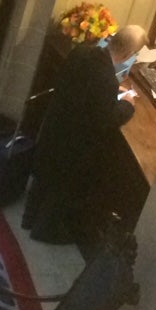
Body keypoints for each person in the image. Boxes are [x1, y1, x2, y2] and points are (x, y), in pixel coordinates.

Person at [23, 23, 145, 245]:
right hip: (73, 147)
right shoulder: (107, 79)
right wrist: (127, 104)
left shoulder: (82, 52)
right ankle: (46, 231)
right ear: (129, 54)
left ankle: (29, 217)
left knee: (44, 180)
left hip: (53, 130)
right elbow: (107, 119)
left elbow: (83, 89)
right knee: (67, 185)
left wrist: (111, 93)